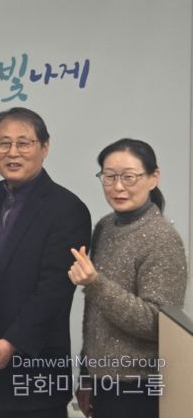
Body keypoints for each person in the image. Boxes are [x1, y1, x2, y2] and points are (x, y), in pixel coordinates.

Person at [0, 107, 92, 418]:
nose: (12, 152)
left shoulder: (68, 209)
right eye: (3, 143)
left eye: (23, 143)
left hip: (33, 376)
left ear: (45, 147)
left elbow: (54, 289)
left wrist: (12, 341)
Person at [68, 138, 187, 418]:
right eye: (109, 176)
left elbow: (156, 323)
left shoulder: (162, 239)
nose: (118, 186)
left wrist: (95, 283)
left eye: (129, 177)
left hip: (139, 384)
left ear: (153, 177)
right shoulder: (105, 226)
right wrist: (86, 375)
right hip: (102, 380)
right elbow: (95, 317)